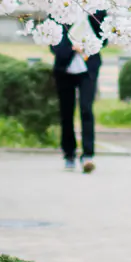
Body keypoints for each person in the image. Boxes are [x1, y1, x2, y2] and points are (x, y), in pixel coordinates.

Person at [51, 12, 105, 174]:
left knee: (86, 109)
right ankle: (69, 154)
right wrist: (70, 48)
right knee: (66, 113)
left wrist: (87, 47)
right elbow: (52, 40)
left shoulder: (96, 11)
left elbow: (104, 37)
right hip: (64, 69)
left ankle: (88, 155)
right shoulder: (59, 8)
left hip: (88, 68)